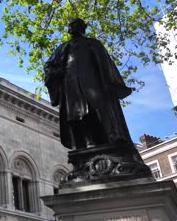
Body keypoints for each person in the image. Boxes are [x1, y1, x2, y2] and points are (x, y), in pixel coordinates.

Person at [44, 18, 133, 150]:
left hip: (93, 82)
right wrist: (58, 71)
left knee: (98, 110)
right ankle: (84, 144)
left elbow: (106, 64)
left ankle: (109, 138)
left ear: (82, 28)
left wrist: (113, 84)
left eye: (76, 25)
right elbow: (49, 65)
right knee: (76, 115)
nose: (72, 28)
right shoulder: (62, 48)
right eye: (71, 25)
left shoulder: (93, 44)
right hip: (71, 85)